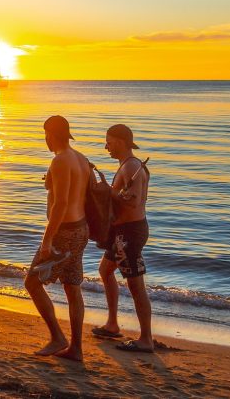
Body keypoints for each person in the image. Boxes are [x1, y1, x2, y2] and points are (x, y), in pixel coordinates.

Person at [24, 115, 91, 361]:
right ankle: (76, 348)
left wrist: (47, 241)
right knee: (72, 287)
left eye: (46, 135)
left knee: (32, 283)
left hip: (64, 232)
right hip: (81, 229)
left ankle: (57, 338)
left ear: (49, 135)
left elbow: (61, 205)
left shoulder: (61, 161)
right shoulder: (81, 159)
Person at [93, 123, 154, 353]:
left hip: (130, 232)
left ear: (119, 141)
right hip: (121, 232)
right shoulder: (127, 165)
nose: (106, 146)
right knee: (105, 271)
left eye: (108, 142)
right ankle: (112, 324)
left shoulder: (131, 167)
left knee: (136, 285)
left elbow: (133, 200)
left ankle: (146, 338)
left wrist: (110, 192)